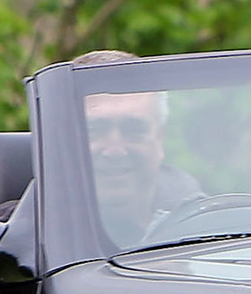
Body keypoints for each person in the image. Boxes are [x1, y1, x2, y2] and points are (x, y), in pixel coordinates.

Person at [73, 49, 205, 232]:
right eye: (95, 130)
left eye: (133, 130)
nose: (115, 150)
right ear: (65, 140)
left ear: (159, 140)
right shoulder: (29, 246)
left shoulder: (208, 230)